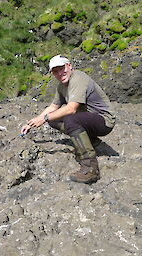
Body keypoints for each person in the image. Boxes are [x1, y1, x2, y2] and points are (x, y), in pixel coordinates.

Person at [21, 55, 116, 184]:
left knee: (70, 119)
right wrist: (33, 122)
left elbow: (71, 108)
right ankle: (89, 140)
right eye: (55, 71)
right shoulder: (61, 86)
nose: (60, 73)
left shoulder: (78, 79)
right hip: (89, 119)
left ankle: (90, 169)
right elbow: (53, 107)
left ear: (69, 66)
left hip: (104, 121)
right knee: (53, 118)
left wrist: (43, 118)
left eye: (62, 68)